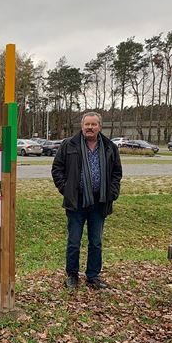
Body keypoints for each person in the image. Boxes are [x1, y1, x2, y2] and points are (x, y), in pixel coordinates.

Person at [51, 112, 122, 289]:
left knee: (96, 241)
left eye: (94, 124)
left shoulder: (109, 146)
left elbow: (116, 173)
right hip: (76, 201)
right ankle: (72, 275)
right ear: (82, 126)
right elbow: (57, 169)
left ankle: (93, 275)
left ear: (100, 127)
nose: (90, 128)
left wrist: (112, 192)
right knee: (74, 241)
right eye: (87, 124)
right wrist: (66, 190)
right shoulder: (69, 145)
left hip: (100, 201)